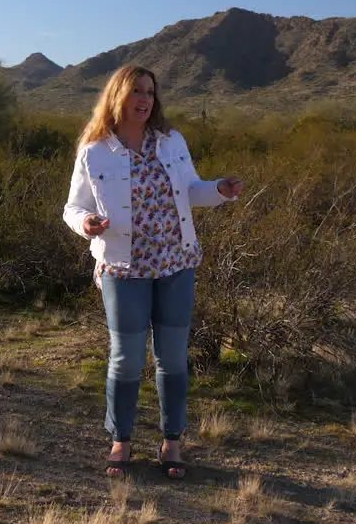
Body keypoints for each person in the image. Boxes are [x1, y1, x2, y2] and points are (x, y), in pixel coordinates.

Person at [62, 64, 242, 480]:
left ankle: (172, 441)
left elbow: (192, 189)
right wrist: (86, 223)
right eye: (136, 91)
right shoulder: (94, 151)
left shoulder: (171, 142)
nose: (144, 99)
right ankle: (120, 440)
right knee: (126, 359)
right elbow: (73, 207)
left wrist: (218, 189)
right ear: (117, 96)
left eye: (150, 92)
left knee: (173, 357)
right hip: (123, 268)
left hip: (175, 263)